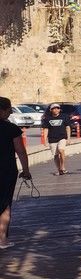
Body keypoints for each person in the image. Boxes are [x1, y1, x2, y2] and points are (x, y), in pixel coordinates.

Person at [0, 96, 32, 250]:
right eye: (9, 109)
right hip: (6, 171)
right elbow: (21, 151)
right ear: (4, 110)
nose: (11, 112)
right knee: (5, 204)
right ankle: (2, 240)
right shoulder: (11, 128)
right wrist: (26, 170)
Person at [41, 102, 71, 175]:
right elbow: (46, 129)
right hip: (52, 138)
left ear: (59, 109)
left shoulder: (64, 116)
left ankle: (63, 166)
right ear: (51, 110)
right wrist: (44, 140)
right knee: (56, 155)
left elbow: (67, 127)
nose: (56, 110)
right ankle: (59, 170)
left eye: (57, 108)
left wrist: (69, 138)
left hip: (62, 137)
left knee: (61, 150)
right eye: (54, 108)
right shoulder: (47, 118)